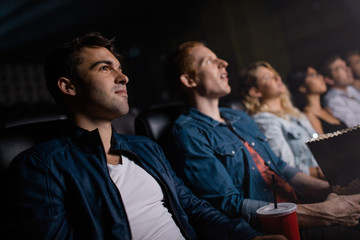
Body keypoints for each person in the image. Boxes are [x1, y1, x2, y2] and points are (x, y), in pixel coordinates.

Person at [0, 32, 282, 240]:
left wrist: (251, 237)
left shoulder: (145, 148)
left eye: (119, 69)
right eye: (104, 68)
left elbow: (194, 209)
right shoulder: (41, 166)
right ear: (69, 87)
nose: (123, 78)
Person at [168, 41, 360, 239]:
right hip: (275, 228)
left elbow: (280, 167)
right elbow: (229, 204)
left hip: (302, 205)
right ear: (189, 80)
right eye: (209, 61)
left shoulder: (239, 116)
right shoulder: (189, 132)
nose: (223, 63)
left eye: (220, 58)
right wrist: (324, 212)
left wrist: (335, 191)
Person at [239, 61, 320, 177]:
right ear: (256, 91)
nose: (277, 78)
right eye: (268, 77)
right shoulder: (264, 120)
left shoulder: (294, 113)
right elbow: (288, 168)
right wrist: (320, 172)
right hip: (311, 185)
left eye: (275, 74)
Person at [286, 66, 347, 134]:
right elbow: (323, 143)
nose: (321, 77)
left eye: (318, 74)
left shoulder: (327, 110)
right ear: (302, 87)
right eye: (312, 75)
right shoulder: (309, 115)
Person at [322, 55, 360, 128]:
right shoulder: (333, 100)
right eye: (340, 68)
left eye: (346, 65)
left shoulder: (350, 89)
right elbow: (354, 126)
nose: (348, 69)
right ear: (329, 79)